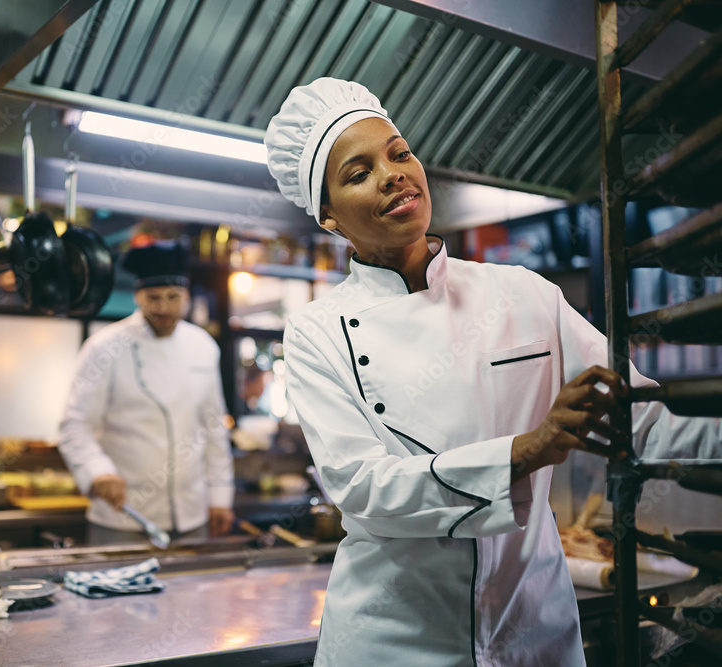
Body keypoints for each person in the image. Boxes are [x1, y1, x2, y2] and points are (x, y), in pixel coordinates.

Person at [264, 78, 719, 666]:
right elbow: (364, 488)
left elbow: (645, 419)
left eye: (399, 154)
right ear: (327, 216)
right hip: (396, 643)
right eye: (359, 173)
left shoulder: (521, 294)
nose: (393, 174)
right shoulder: (316, 331)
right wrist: (528, 450)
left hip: (535, 631)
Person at [59, 240, 235, 546]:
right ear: (138, 296)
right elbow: (74, 424)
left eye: (173, 297)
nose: (163, 308)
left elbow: (213, 427)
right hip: (123, 515)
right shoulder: (104, 347)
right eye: (153, 298)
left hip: (193, 514)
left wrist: (220, 494)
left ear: (187, 298)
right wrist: (98, 472)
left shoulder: (203, 346)